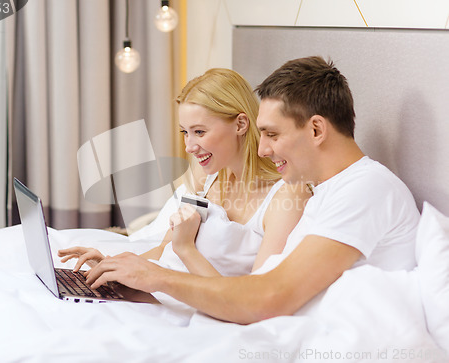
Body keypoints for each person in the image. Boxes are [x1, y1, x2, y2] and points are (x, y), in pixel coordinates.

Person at [82, 56, 420, 324]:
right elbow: (263, 285)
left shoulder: (365, 189)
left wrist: (157, 278)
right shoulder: (328, 192)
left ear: (316, 129)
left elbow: (266, 298)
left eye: (272, 135)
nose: (262, 150)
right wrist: (137, 271)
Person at [59, 68, 309, 278]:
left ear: (241, 124)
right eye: (185, 132)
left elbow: (255, 296)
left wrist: (186, 250)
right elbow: (165, 250)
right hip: (161, 292)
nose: (189, 146)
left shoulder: (285, 197)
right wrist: (111, 265)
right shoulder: (207, 178)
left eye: (199, 132)